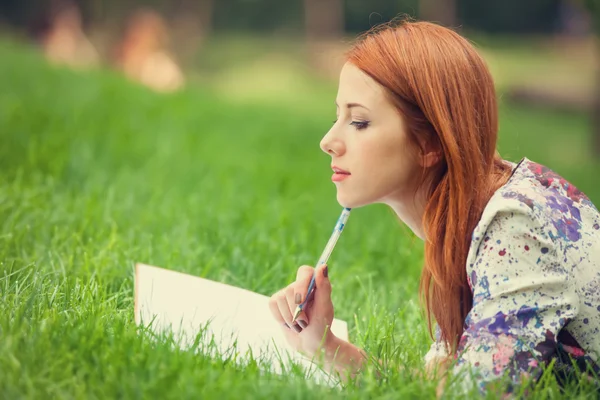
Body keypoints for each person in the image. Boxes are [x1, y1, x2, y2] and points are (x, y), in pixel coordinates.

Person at [268, 19, 600, 396]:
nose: (328, 141)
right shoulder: (467, 216)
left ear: (429, 144)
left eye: (359, 121)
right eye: (337, 117)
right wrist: (325, 347)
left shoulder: (513, 227)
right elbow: (437, 387)